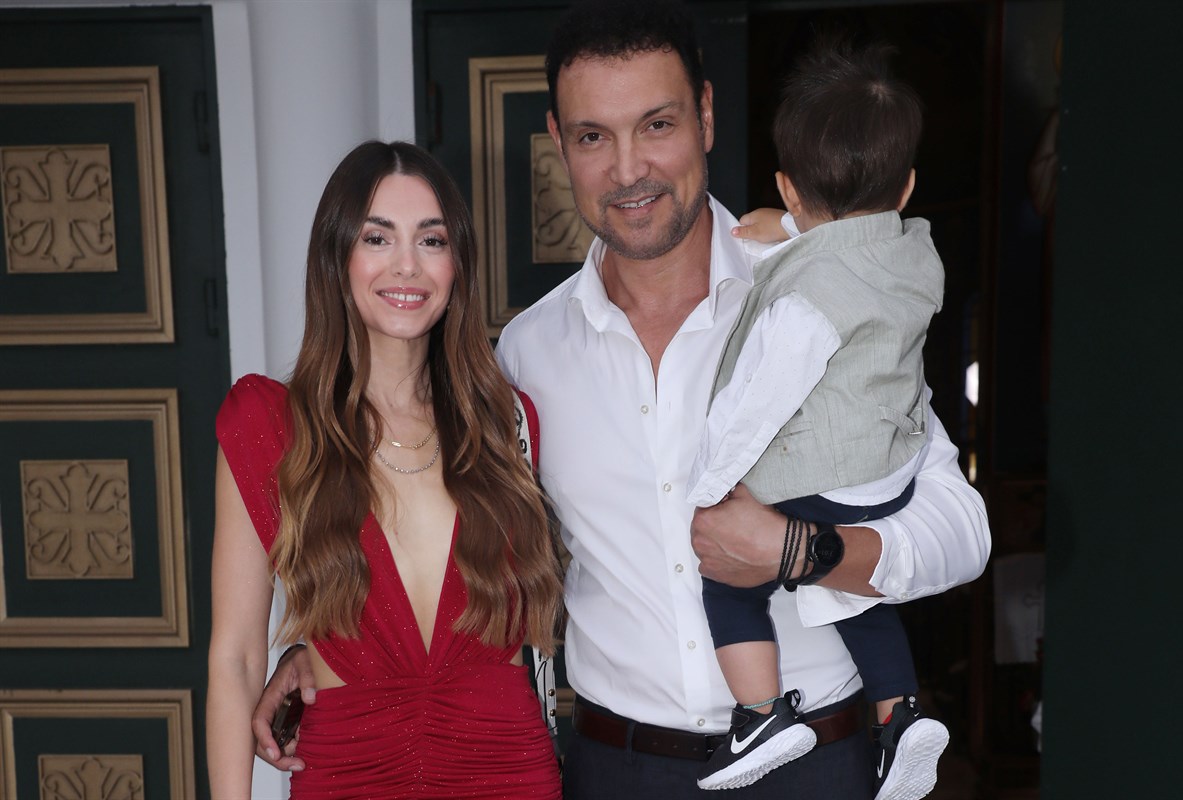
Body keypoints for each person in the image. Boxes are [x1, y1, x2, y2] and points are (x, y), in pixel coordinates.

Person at [253, 3, 990, 798]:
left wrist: (803, 552)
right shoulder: (524, 357)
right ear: (558, 141)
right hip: (618, 770)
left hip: (816, 762)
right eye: (593, 137)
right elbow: (461, 555)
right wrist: (327, 656)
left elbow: (961, 529)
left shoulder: (815, 298)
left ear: (706, 116)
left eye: (657, 125)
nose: (628, 169)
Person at [207, 140, 563, 799]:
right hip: (348, 775)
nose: (408, 265)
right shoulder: (270, 427)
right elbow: (236, 658)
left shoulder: (508, 426)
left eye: (431, 240)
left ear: (457, 263)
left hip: (508, 773)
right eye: (378, 238)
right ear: (336, 257)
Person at [685, 38, 950, 797]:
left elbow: (760, 400)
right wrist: (797, 228)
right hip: (888, 477)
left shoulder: (804, 303)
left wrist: (712, 489)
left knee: (729, 580)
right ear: (906, 187)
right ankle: (899, 715)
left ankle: (760, 714)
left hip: (826, 478)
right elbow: (856, 241)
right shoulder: (916, 254)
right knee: (847, 588)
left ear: (785, 187)